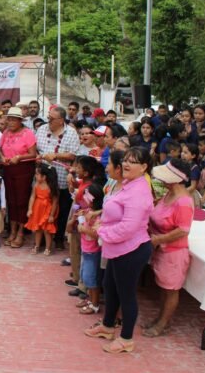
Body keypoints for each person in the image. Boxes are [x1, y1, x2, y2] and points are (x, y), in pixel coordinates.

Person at [85, 148, 154, 354]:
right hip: (116, 247)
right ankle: (107, 326)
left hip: (131, 249)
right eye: (125, 160)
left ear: (144, 167)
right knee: (110, 285)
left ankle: (126, 339)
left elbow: (128, 228)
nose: (126, 164)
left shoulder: (139, 191)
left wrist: (101, 231)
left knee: (126, 294)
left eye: (133, 162)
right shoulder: (127, 184)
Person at [144, 158, 195, 337]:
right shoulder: (168, 194)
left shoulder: (183, 201)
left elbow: (183, 230)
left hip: (173, 253)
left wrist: (160, 239)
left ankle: (163, 323)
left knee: (171, 290)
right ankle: (161, 319)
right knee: (163, 287)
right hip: (162, 249)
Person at [35, 106, 80, 249]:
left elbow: (73, 155)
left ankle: (59, 238)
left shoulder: (71, 133)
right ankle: (42, 238)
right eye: (48, 117)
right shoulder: (42, 129)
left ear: (61, 120)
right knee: (43, 209)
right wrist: (38, 156)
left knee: (61, 209)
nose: (48, 121)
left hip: (61, 178)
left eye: (51, 119)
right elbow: (36, 149)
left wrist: (56, 155)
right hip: (43, 179)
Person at [0, 106, 37, 248]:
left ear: (20, 121)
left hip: (23, 170)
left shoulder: (28, 133)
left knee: (21, 201)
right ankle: (12, 231)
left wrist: (20, 157)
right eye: (9, 119)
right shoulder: (6, 133)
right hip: (8, 169)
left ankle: (21, 232)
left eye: (14, 120)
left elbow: (33, 154)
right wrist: (2, 157)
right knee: (11, 201)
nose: (10, 122)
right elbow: (0, 150)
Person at [75, 183, 104, 314]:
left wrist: (83, 228)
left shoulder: (98, 216)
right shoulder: (88, 211)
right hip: (86, 250)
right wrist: (80, 219)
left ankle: (94, 304)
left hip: (93, 252)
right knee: (85, 276)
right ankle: (89, 299)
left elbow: (97, 233)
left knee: (91, 279)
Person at [25, 163, 58, 255]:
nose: (35, 176)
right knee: (37, 229)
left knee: (47, 230)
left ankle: (48, 248)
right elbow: (32, 197)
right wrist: (30, 209)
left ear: (44, 177)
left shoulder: (51, 187)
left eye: (37, 174)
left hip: (47, 210)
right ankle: (37, 246)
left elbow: (55, 202)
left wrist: (51, 215)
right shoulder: (36, 185)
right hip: (38, 209)